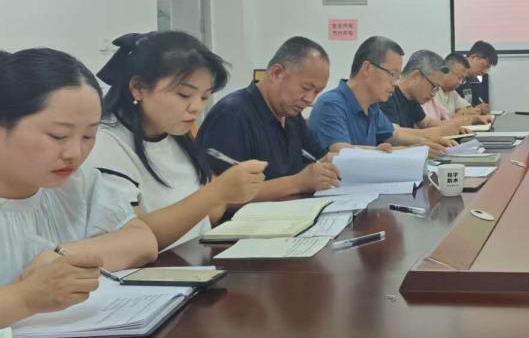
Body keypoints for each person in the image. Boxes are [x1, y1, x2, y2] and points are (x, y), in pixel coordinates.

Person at [0, 48, 158, 325]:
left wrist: (62, 256)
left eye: (88, 136)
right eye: (58, 135)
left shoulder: (76, 182)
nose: (75, 153)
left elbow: (142, 241)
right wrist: (24, 298)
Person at [86, 32, 266, 250]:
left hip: (195, 260)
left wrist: (230, 191)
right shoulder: (104, 143)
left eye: (204, 97)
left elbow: (208, 214)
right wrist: (216, 193)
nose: (197, 107)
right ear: (138, 88)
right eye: (184, 95)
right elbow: (128, 241)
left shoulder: (174, 134)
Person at [198, 37, 341, 199]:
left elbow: (318, 158)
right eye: (306, 88)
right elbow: (221, 195)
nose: (310, 99)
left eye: (317, 92)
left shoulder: (292, 116)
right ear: (276, 73)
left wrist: (334, 164)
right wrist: (297, 183)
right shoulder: (231, 115)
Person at [309, 37, 453, 157]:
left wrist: (426, 144)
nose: (395, 83)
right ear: (367, 68)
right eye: (392, 74)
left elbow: (394, 134)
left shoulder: (372, 107)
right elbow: (343, 154)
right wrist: (414, 151)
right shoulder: (332, 104)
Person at [381, 50, 469, 135]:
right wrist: (439, 132)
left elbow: (426, 122)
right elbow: (395, 133)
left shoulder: (412, 97)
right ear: (415, 76)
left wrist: (453, 128)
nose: (434, 94)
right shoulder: (388, 95)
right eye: (434, 87)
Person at [425, 53, 490, 124]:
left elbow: (467, 107)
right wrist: (463, 114)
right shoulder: (432, 91)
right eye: (459, 77)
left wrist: (473, 110)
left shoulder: (452, 92)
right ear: (447, 71)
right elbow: (441, 119)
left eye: (462, 79)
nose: (460, 82)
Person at [458, 40, 498, 114]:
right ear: (474, 58)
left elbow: (466, 106)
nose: (485, 72)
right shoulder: (453, 79)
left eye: (488, 68)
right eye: (485, 66)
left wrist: (478, 108)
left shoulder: (470, 79)